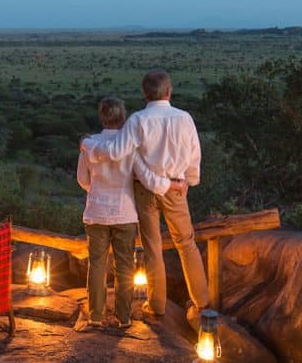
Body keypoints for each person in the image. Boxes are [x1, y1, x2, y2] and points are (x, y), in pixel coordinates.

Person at [79, 69, 207, 321]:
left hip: (145, 189)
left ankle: (157, 304)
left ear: (145, 94)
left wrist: (87, 144)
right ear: (169, 91)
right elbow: (194, 156)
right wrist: (188, 181)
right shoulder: (184, 118)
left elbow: (115, 152)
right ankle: (202, 301)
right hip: (176, 188)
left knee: (152, 247)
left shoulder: (138, 120)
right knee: (186, 242)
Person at [76, 97, 161, 329]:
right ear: (122, 117)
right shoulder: (130, 147)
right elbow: (139, 177)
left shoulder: (90, 145)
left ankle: (95, 315)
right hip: (124, 213)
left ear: (102, 117)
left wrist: (97, 189)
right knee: (125, 266)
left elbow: (83, 180)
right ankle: (123, 318)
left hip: (96, 212)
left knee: (97, 265)